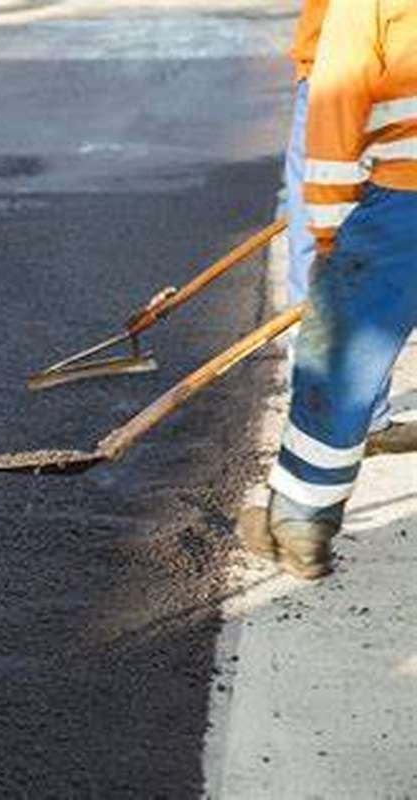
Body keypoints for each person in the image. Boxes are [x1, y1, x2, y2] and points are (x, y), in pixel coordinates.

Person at [240, 0, 417, 579]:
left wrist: (329, 233)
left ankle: (300, 521)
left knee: (338, 360)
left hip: (401, 200)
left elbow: (337, 104)